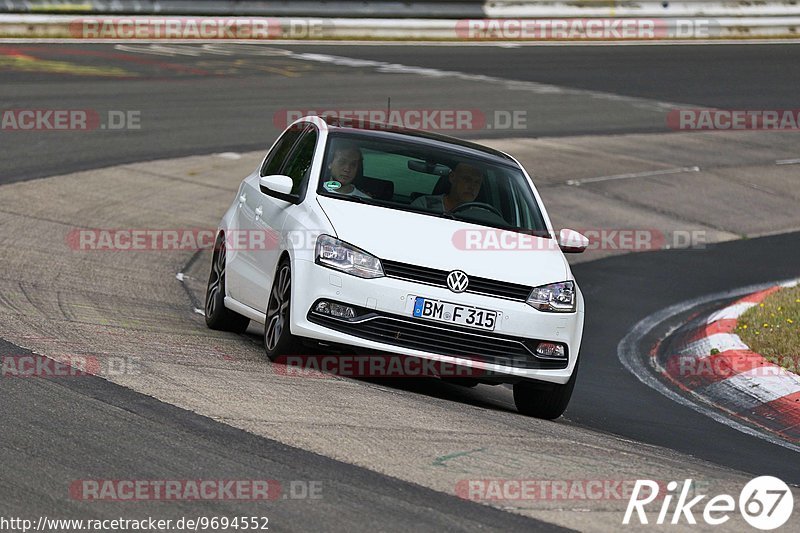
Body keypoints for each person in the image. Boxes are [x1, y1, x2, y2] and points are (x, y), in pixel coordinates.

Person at [410, 162, 485, 213]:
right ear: (452, 177)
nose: (472, 187)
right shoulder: (425, 205)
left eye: (477, 182)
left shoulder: (483, 215)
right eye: (467, 180)